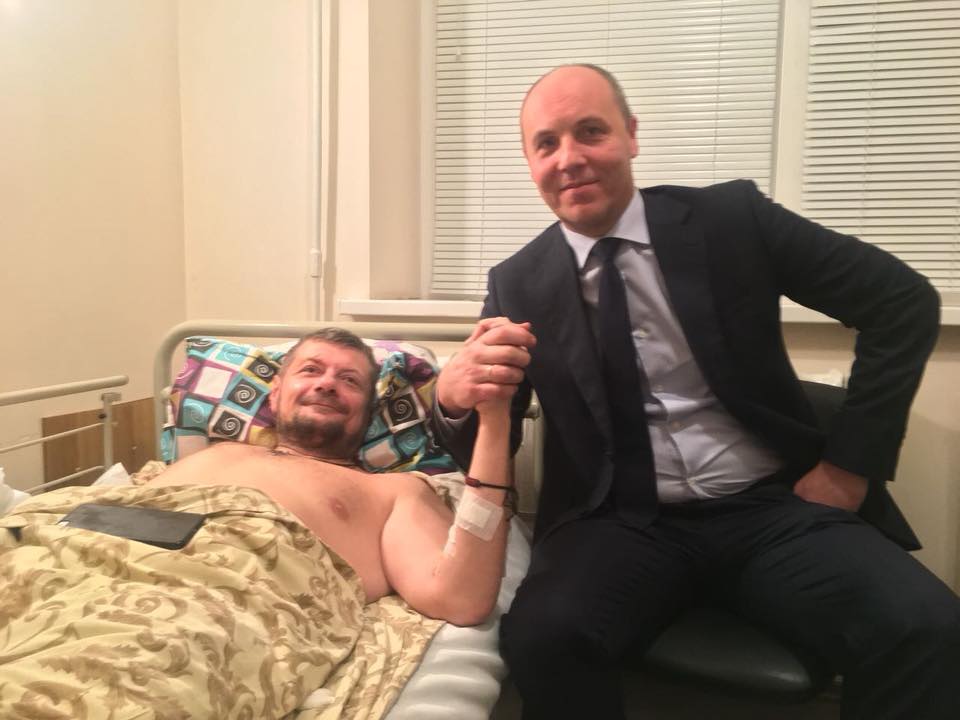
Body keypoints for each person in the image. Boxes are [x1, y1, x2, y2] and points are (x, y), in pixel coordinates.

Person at [434, 64, 960, 719]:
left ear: (631, 135)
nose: (569, 158)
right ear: (529, 161)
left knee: (925, 627)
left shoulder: (731, 219)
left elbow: (902, 303)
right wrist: (452, 398)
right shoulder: (517, 283)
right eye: (547, 143)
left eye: (591, 131)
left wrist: (851, 463)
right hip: (618, 523)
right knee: (542, 639)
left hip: (769, 509)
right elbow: (493, 439)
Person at [0, 328, 514, 719]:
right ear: (274, 397)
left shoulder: (393, 489)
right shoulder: (209, 456)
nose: (327, 383)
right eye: (311, 370)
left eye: (349, 380)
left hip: (202, 600)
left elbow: (460, 597)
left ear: (368, 411)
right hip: (65, 552)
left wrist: (495, 420)